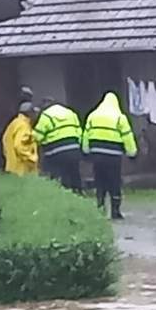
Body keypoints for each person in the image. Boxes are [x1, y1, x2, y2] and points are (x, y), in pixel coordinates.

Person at [82, 92, 137, 220]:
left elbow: (86, 134)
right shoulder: (119, 117)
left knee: (100, 181)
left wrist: (86, 150)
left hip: (97, 156)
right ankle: (115, 211)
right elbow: (127, 136)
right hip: (113, 157)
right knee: (114, 183)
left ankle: (100, 207)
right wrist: (132, 153)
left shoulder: (92, 116)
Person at [33, 97, 83, 192]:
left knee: (59, 176)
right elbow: (79, 131)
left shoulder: (46, 115)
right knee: (74, 173)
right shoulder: (70, 113)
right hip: (74, 149)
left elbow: (38, 136)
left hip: (56, 152)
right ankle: (78, 193)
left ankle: (63, 194)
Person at [1, 102, 39, 176]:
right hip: (22, 169)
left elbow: (5, 141)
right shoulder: (23, 126)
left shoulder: (14, 123)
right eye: (34, 113)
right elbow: (20, 146)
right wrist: (32, 159)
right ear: (29, 113)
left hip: (12, 167)